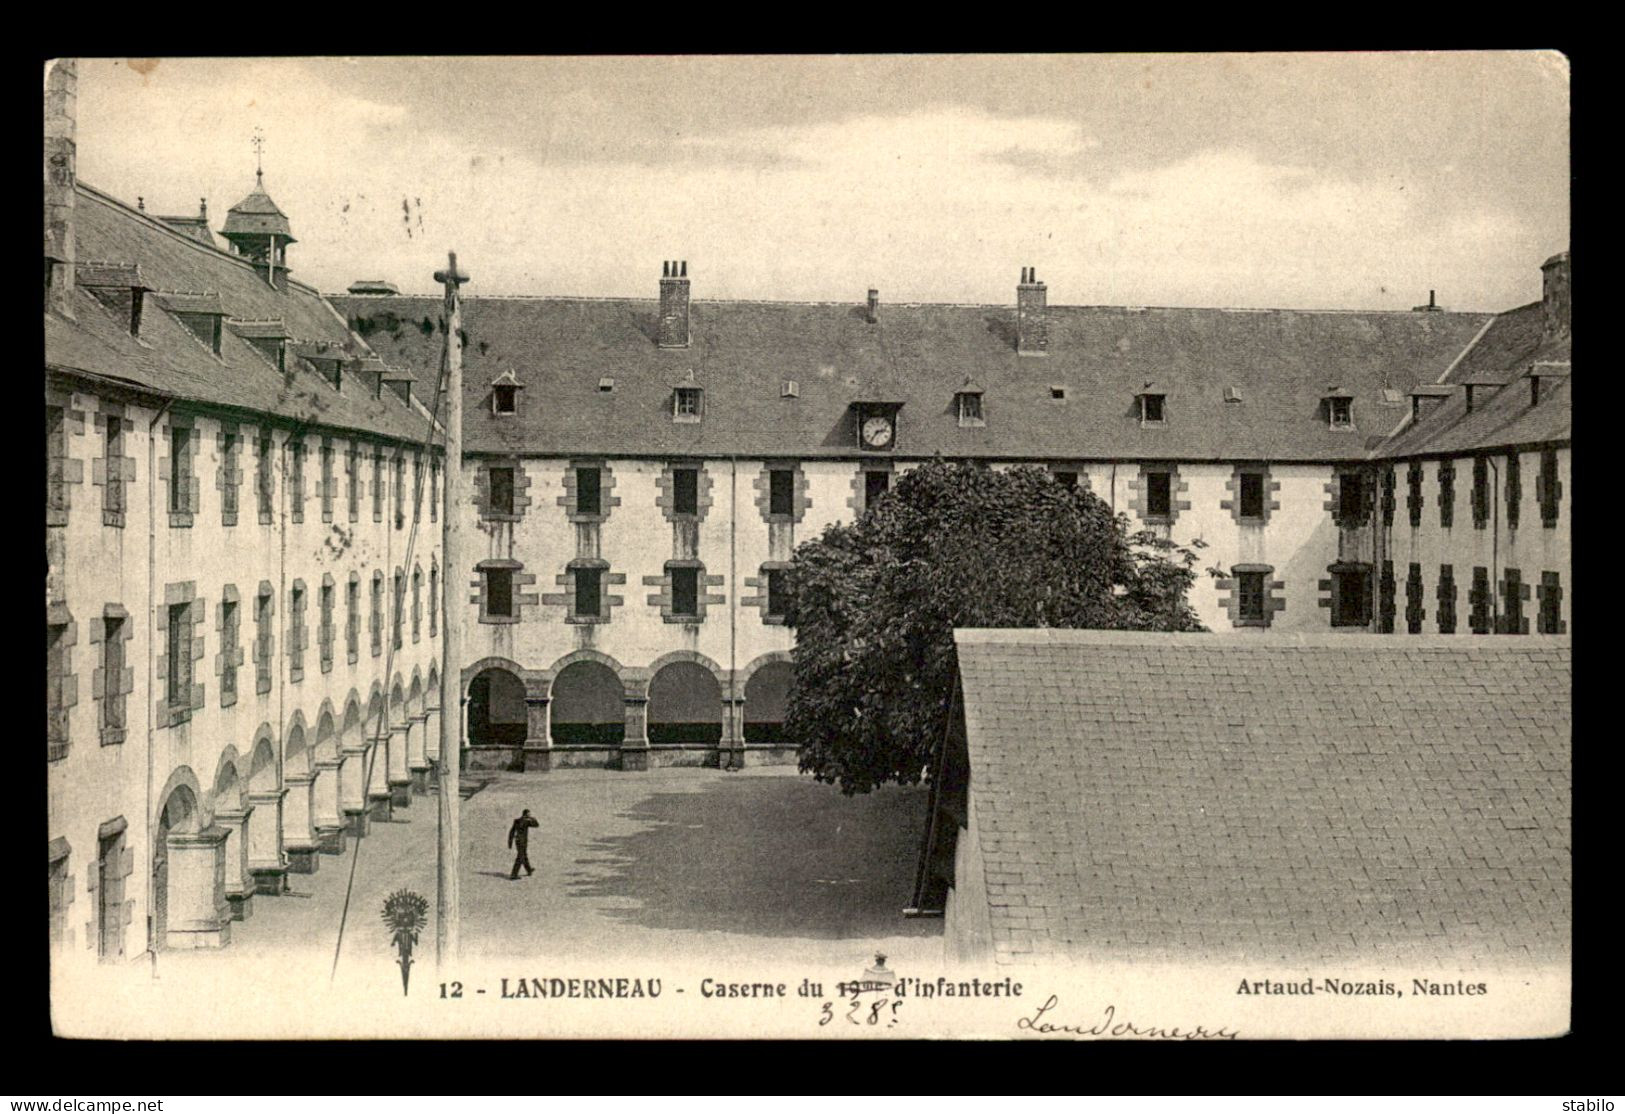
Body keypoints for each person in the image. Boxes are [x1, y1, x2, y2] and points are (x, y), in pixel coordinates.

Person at [508, 808, 539, 880]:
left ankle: (529, 870)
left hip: (518, 841)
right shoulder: (527, 821)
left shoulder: (517, 820)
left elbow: (512, 831)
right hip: (522, 841)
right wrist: (532, 818)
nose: (530, 815)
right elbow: (536, 825)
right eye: (529, 814)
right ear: (526, 814)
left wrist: (510, 842)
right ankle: (513, 874)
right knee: (520, 857)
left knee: (523, 855)